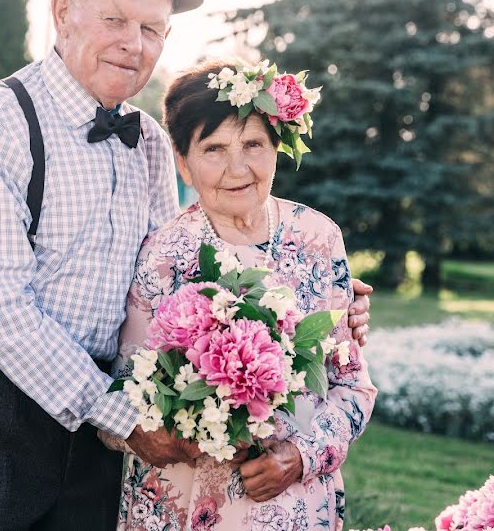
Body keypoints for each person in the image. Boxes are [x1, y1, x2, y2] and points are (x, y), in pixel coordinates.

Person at [0, 0, 372, 529]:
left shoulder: (150, 141)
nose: (133, 44)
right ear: (62, 11)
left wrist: (320, 305)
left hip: (104, 405)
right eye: (115, 20)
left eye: (152, 30)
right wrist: (121, 418)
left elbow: (181, 273)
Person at [103, 60, 377, 531]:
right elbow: (120, 404)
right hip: (184, 508)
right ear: (183, 161)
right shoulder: (162, 257)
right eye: (214, 148)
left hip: (296, 506)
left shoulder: (318, 240)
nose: (238, 168)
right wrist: (182, 431)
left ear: (277, 146)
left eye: (252, 144)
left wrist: (301, 456)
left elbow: (352, 387)